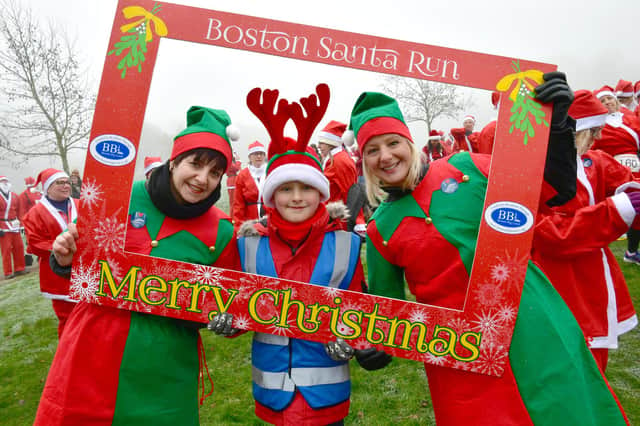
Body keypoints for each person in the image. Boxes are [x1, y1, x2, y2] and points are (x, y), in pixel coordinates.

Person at [349, 73, 630, 424]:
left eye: (392, 143)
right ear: (364, 161)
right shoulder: (380, 230)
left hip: (530, 321)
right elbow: (388, 311)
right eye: (372, 150)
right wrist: (375, 347)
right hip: (460, 354)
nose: (385, 156)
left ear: (409, 142)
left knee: (564, 410)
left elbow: (549, 189)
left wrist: (557, 127)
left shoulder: (467, 167)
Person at [34, 106, 241, 425]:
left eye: (215, 173)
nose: (202, 179)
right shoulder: (118, 199)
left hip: (164, 364)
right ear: (174, 160)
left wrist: (227, 320)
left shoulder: (222, 230)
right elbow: (81, 266)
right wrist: (64, 257)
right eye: (195, 164)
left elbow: (228, 301)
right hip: (93, 350)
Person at [210, 84, 390, 426]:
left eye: (306, 187)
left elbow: (359, 311)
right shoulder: (247, 246)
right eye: (286, 189)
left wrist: (360, 341)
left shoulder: (346, 246)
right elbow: (239, 307)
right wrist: (227, 321)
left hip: (326, 397)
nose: (296, 197)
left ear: (321, 193)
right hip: (272, 395)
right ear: (271, 196)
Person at [532, 90, 638, 372]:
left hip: (592, 281)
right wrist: (618, 210)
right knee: (558, 368)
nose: (599, 138)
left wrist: (631, 201)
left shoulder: (595, 161)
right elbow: (551, 235)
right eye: (594, 130)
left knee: (592, 369)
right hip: (553, 279)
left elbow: (628, 186)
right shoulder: (533, 172)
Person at [22, 169, 78, 335]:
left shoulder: (80, 204)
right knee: (67, 318)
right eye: (59, 182)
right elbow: (35, 243)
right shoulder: (35, 214)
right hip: (56, 274)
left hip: (85, 269)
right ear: (47, 187)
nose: (66, 185)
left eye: (67, 181)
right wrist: (60, 248)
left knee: (88, 315)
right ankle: (67, 357)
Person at [590, 85, 640, 264]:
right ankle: (599, 251)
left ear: (615, 99)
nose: (607, 103)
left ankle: (632, 252)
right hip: (613, 172)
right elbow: (592, 149)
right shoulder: (597, 125)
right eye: (602, 101)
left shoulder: (630, 117)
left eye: (609, 99)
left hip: (636, 167)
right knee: (615, 209)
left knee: (638, 209)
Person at [316, 120, 358, 206]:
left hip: (339, 215)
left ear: (330, 143)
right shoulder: (337, 158)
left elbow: (348, 193)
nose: (318, 146)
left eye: (321, 143)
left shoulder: (338, 161)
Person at [232, 140, 267, 231]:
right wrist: (238, 226)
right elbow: (238, 204)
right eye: (255, 154)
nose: (259, 156)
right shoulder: (242, 175)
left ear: (264, 156)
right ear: (250, 157)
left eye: (261, 153)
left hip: (269, 217)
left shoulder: (270, 172)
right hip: (250, 218)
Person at [0, 175, 27, 279]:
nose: (5, 183)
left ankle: (19, 268)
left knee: (19, 247)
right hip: (3, 225)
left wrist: (22, 225)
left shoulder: (15, 196)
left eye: (6, 181)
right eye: (2, 181)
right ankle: (8, 272)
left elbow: (20, 211)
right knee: (6, 249)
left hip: (15, 225)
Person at [225, 151, 242, 216]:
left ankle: (235, 217)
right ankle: (232, 219)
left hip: (234, 181)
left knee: (236, 202)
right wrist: (238, 161)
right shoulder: (229, 161)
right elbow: (236, 168)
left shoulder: (232, 161)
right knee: (233, 202)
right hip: (232, 182)